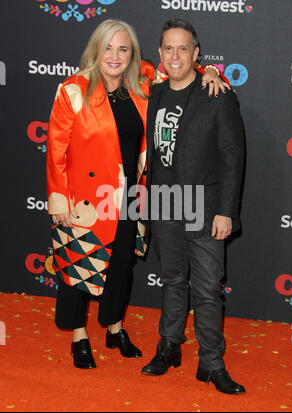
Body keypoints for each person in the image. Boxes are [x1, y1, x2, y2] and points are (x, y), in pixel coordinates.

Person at [46, 19, 224, 369]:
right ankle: (79, 336)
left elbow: (180, 67)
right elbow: (55, 150)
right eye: (108, 47)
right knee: (77, 268)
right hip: (84, 199)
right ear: (95, 49)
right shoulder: (73, 90)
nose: (115, 56)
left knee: (121, 266)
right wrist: (59, 200)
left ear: (133, 55)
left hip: (129, 198)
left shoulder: (142, 82)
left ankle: (114, 328)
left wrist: (211, 71)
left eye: (123, 49)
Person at [141, 19, 246, 395]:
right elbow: (114, 66)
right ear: (159, 54)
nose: (175, 55)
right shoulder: (151, 92)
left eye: (183, 48)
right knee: (171, 281)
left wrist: (226, 211)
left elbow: (233, 156)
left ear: (196, 54)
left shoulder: (216, 93)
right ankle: (169, 346)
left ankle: (211, 362)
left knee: (206, 290)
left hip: (204, 206)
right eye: (168, 48)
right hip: (163, 202)